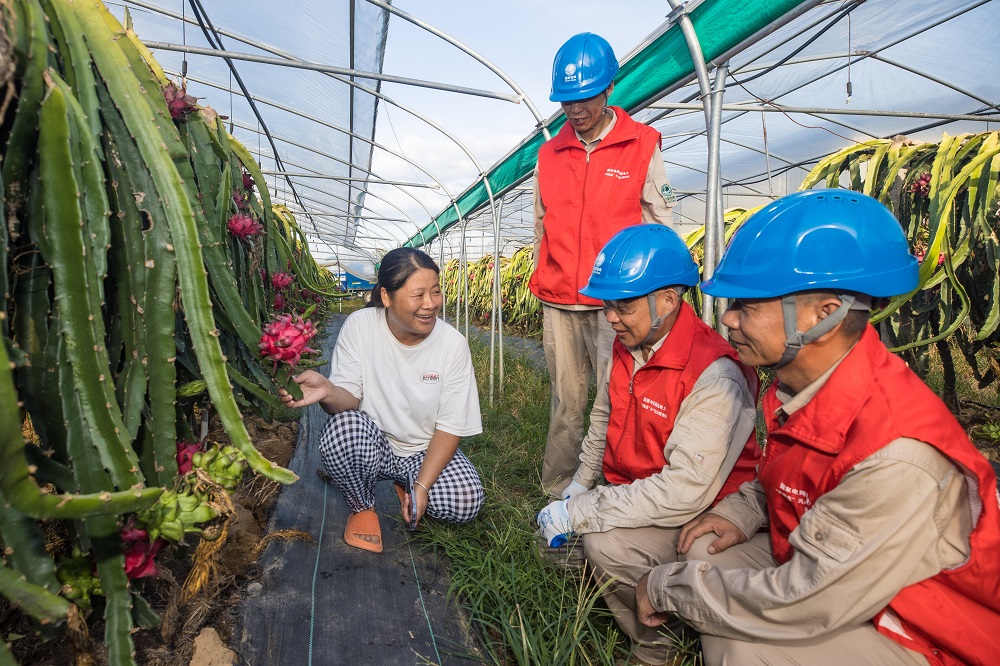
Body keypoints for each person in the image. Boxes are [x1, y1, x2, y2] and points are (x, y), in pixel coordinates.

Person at [633, 189, 1000, 665]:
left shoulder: (897, 451)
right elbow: (795, 475)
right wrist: (744, 511)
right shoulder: (801, 388)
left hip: (922, 629)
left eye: (748, 305)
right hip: (849, 576)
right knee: (706, 551)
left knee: (749, 643)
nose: (727, 319)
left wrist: (665, 587)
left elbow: (803, 598)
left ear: (824, 316)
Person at [535, 224, 761, 666]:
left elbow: (683, 493)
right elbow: (602, 417)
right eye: (607, 305)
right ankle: (653, 596)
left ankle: (658, 646)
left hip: (697, 510)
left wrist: (583, 512)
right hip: (640, 495)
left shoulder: (715, 374)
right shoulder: (630, 343)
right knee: (553, 553)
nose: (611, 317)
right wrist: (578, 487)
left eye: (624, 305)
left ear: (669, 299)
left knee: (605, 547)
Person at [530, 32, 677, 498]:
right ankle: (556, 490)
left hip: (617, 300)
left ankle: (610, 489)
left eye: (585, 97)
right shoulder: (549, 153)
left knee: (616, 397)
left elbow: (659, 224)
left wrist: (657, 296)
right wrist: (544, 273)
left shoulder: (641, 144)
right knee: (567, 401)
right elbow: (540, 223)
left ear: (609, 88)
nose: (575, 110)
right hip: (558, 298)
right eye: (566, 100)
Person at [279, 248, 485, 553]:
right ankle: (362, 506)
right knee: (344, 427)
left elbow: (451, 425)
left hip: (423, 451)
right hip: (372, 445)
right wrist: (328, 390)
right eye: (418, 295)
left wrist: (423, 485)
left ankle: (409, 484)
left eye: (436, 292)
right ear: (387, 297)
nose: (430, 304)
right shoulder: (361, 327)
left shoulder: (453, 345)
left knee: (465, 500)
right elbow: (348, 399)